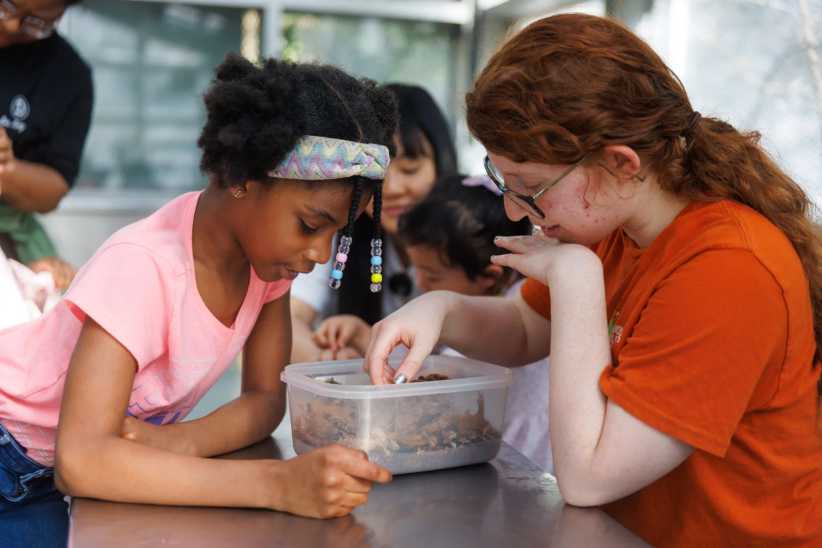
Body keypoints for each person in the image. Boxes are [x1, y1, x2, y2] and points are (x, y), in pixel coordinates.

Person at [363, 13, 822, 547]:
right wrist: (441, 308)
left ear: (621, 164)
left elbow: (587, 477)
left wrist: (576, 277)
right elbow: (522, 327)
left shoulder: (731, 269)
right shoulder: (612, 221)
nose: (514, 213)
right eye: (503, 183)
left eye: (530, 188)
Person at [0, 54, 397, 547]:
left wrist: (178, 441)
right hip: (10, 453)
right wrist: (277, 484)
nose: (319, 253)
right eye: (311, 225)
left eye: (337, 235)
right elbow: (82, 462)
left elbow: (266, 398)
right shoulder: (143, 265)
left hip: (69, 465)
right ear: (241, 177)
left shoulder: (269, 267)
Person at [314, 175, 555, 471]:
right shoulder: (470, 294)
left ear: (490, 277)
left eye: (432, 274)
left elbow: (442, 370)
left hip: (523, 458)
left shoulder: (525, 306)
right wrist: (366, 338)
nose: (419, 281)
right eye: (417, 268)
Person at [290, 83, 457, 363]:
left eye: (410, 169)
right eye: (376, 175)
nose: (391, 189)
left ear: (442, 163)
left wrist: (368, 350)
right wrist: (329, 360)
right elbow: (289, 319)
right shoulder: (339, 237)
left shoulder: (473, 235)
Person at [0, 0, 93, 292]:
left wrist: (6, 169)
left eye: (36, 23)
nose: (12, 25)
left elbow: (53, 187)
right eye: (6, 6)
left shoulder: (66, 76)